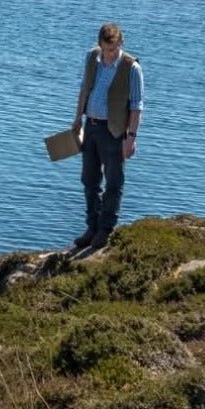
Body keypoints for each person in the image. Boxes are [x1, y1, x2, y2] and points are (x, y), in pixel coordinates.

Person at [70, 22, 144, 250]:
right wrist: (77, 119)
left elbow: (137, 106)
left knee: (114, 182)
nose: (109, 54)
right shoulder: (92, 58)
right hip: (90, 127)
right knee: (89, 180)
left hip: (114, 131)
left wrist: (131, 137)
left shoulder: (131, 67)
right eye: (105, 49)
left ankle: (106, 230)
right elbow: (84, 89)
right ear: (99, 44)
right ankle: (92, 227)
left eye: (113, 49)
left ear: (121, 43)